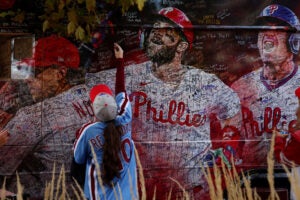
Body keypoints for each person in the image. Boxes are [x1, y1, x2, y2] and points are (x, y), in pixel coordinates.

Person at [86, 7, 242, 199]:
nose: (156, 35)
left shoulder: (204, 83)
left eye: (166, 33)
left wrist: (227, 150)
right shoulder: (128, 76)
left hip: (191, 192)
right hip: (136, 190)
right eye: (154, 30)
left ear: (182, 46)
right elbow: (89, 86)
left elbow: (233, 112)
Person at [0, 35, 93, 198]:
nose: (28, 79)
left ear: (60, 73)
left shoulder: (34, 117)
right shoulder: (96, 100)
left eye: (36, 71)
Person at [231, 4, 300, 168]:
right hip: (250, 181)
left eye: (277, 30)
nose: (267, 35)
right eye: (263, 30)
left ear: (294, 41)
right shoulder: (240, 88)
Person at [73, 43, 138, 200]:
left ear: (94, 109)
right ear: (114, 105)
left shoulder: (88, 131)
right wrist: (120, 60)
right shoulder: (125, 117)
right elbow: (121, 90)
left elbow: (78, 160)